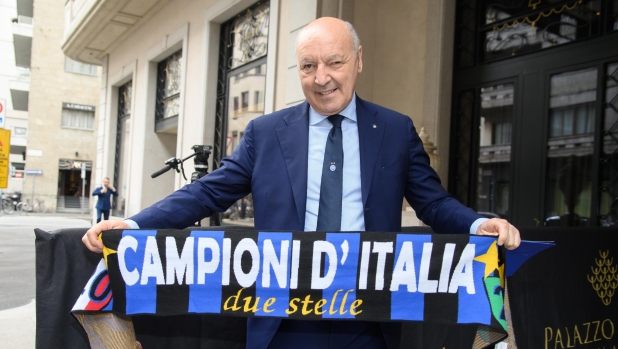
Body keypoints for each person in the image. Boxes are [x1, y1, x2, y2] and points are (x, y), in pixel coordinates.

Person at [83, 17, 520, 349]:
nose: (321, 77)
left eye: (335, 62)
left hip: (367, 319)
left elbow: (434, 203)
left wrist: (476, 226)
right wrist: (135, 226)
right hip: (280, 320)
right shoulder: (265, 132)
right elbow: (207, 191)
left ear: (359, 60)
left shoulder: (394, 129)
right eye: (308, 65)